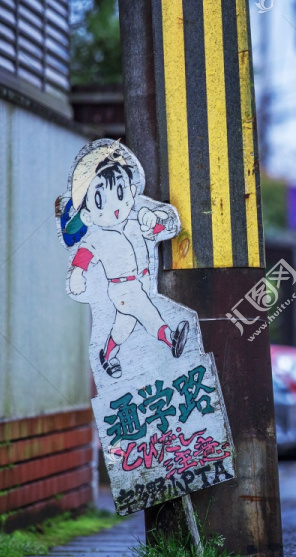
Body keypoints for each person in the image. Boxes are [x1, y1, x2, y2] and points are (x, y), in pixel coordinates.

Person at [57, 141, 189, 379]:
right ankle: (172, 339)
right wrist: (77, 275)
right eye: (100, 200)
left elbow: (165, 227)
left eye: (120, 192)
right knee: (147, 312)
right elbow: (84, 255)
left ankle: (107, 356)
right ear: (87, 214)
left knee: (122, 328)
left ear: (131, 189)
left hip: (139, 283)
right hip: (122, 288)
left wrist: (155, 218)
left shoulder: (137, 219)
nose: (115, 207)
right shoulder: (98, 236)